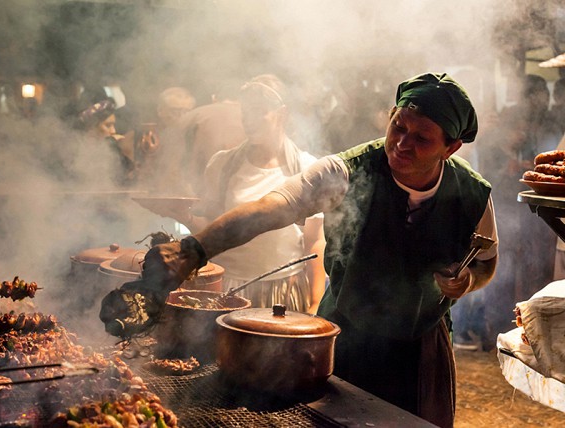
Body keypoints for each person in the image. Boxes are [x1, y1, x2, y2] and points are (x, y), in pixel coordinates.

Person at [139, 72, 498, 427]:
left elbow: (486, 262)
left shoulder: (471, 193)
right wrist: (194, 249)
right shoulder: (344, 171)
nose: (402, 143)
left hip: (423, 348)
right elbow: (273, 207)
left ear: (450, 148)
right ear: (390, 116)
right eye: (398, 127)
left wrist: (468, 280)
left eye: (421, 138)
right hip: (345, 337)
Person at [140, 74, 326, 314]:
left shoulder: (306, 168)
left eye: (260, 111)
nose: (251, 120)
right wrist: (181, 215)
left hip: (284, 290)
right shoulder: (223, 164)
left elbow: (314, 240)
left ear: (282, 114)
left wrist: (315, 301)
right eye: (246, 112)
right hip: (230, 288)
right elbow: (211, 227)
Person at [174, 79, 247, 197]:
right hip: (244, 197)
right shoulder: (254, 119)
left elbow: (172, 163)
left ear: (214, 98)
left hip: (199, 199)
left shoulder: (191, 117)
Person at [70, 91, 136, 187]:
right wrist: (111, 143)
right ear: (90, 128)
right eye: (108, 125)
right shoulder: (74, 152)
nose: (113, 131)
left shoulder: (115, 150)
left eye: (114, 125)